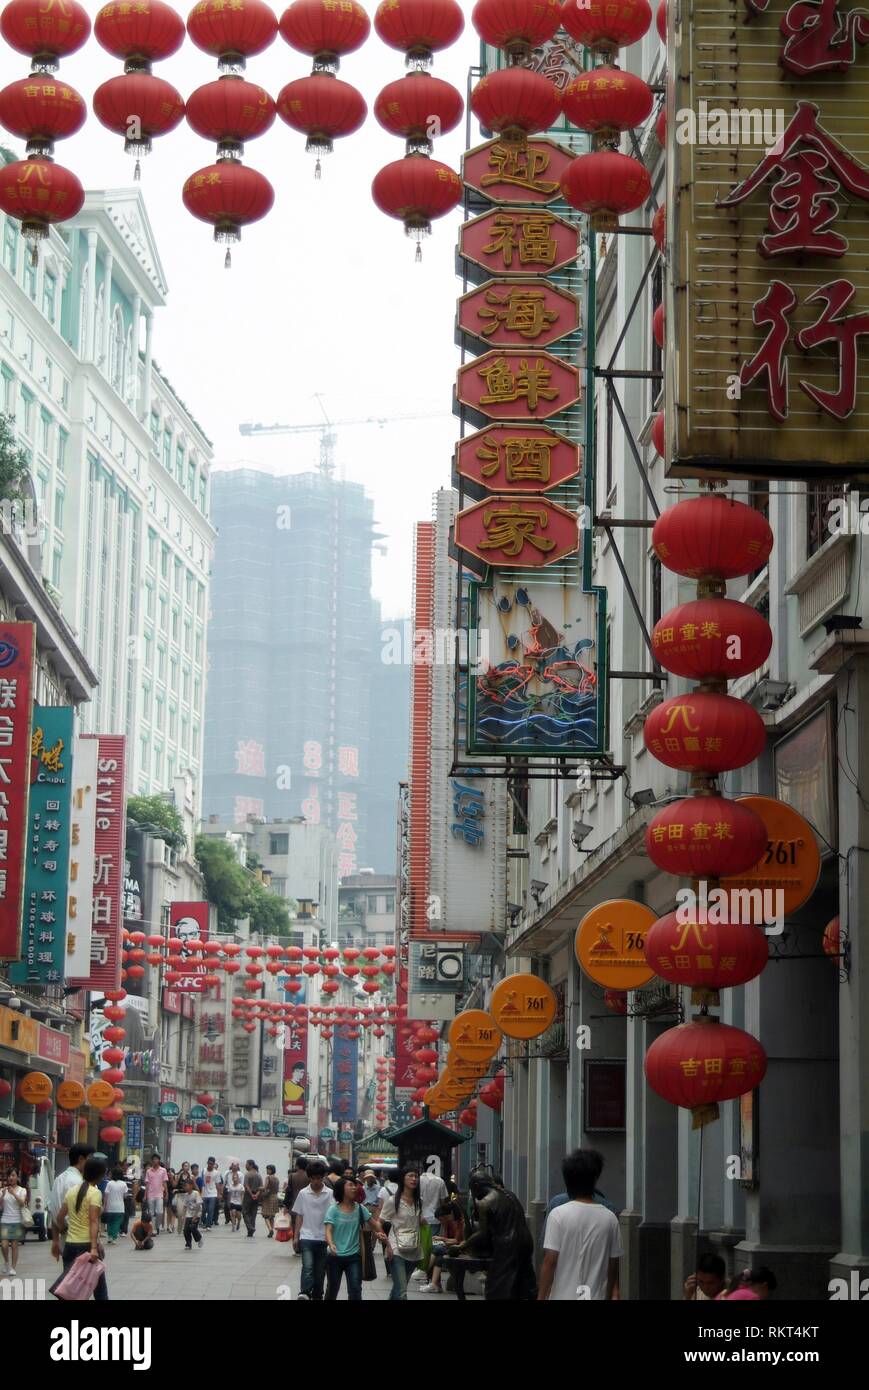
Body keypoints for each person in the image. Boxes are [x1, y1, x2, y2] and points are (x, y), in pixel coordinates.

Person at [538, 1150, 621, 1302]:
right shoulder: (610, 1218)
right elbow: (613, 1265)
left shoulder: (558, 1215)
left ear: (567, 1181)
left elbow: (550, 1261)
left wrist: (541, 1296)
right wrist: (609, 1294)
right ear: (595, 1180)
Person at [455, 1170, 536, 1301]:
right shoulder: (510, 1194)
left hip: (508, 1245)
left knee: (497, 1287)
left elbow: (482, 1233)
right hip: (526, 1241)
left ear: (476, 1186)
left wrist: (462, 1246)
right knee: (525, 1281)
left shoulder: (485, 1202)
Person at [55, 1156, 108, 1300]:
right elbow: (93, 1221)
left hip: (70, 1245)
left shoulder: (72, 1191)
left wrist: (64, 1228)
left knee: (70, 1288)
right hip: (86, 1247)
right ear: (99, 1174)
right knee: (100, 1290)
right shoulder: (95, 1193)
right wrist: (94, 1248)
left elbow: (59, 1217)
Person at [324, 1177, 382, 1301]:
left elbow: (375, 1224)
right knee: (332, 1289)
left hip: (354, 1256)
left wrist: (381, 1234)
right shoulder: (333, 1210)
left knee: (355, 1289)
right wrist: (331, 1243)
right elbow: (328, 1230)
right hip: (334, 1257)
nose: (354, 1188)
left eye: (355, 1185)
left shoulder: (360, 1208)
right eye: (350, 1185)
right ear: (341, 1189)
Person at [379, 1168, 426, 1301]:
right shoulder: (393, 1200)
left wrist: (422, 1221)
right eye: (410, 1176)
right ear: (403, 1179)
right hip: (396, 1249)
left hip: (413, 1248)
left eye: (416, 1176)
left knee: (399, 1287)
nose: (414, 1179)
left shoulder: (419, 1201)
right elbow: (379, 1222)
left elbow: (419, 1222)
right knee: (402, 1292)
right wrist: (387, 1244)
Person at [292, 1160, 332, 1302]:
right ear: (309, 1178)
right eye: (313, 1178)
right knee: (308, 1266)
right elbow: (299, 1216)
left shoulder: (330, 1194)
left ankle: (317, 1294)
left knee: (320, 1271)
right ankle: (305, 1292)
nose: (316, 1181)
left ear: (323, 1177)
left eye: (318, 1178)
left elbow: (333, 1217)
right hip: (307, 1236)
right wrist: (296, 1237)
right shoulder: (303, 1193)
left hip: (324, 1238)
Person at [48, 1143, 94, 1259]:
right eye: (90, 1158)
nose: (91, 1163)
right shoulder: (80, 1183)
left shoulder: (59, 1179)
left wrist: (55, 1240)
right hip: (80, 1239)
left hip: (66, 1239)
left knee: (70, 1273)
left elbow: (53, 1210)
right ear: (81, 1159)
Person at [422, 1199, 466, 1295]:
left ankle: (424, 1271)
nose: (441, 1222)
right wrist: (441, 1240)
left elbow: (457, 1240)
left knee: (437, 1250)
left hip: (458, 1248)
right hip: (449, 1247)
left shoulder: (460, 1222)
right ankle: (435, 1284)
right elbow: (447, 1238)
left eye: (441, 1219)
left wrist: (442, 1239)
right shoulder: (447, 1223)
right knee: (435, 1253)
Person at [1, 1168, 28, 1278]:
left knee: (15, 1246)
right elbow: (1, 1206)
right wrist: (3, 1195)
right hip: (5, 1220)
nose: (10, 1178)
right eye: (9, 1176)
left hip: (16, 1220)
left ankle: (13, 1267)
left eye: (13, 1175)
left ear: (17, 1177)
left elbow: (22, 1203)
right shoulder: (3, 1190)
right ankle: (6, 1262)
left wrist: (13, 1194)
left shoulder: (22, 1190)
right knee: (4, 1245)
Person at [142, 1153, 169, 1233]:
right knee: (151, 1212)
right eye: (153, 1159)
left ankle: (157, 1226)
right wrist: (145, 1195)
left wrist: (166, 1194)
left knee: (160, 1212)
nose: (155, 1161)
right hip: (150, 1194)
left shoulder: (163, 1170)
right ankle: (153, 1228)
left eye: (156, 1159)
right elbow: (147, 1184)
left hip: (160, 1194)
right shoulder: (148, 1171)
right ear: (151, 1161)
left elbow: (164, 1183)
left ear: (159, 1160)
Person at [103, 1166, 128, 1245]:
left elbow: (106, 1195)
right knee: (117, 1222)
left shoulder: (109, 1183)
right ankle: (114, 1237)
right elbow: (125, 1196)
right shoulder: (123, 1184)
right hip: (120, 1207)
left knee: (110, 1222)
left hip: (110, 1207)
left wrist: (104, 1206)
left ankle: (110, 1236)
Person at [181, 1178, 204, 1252]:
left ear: (191, 1186)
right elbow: (185, 1206)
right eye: (184, 1186)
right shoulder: (186, 1195)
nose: (185, 1187)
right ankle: (188, 1244)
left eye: (186, 1185)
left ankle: (199, 1238)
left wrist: (195, 1215)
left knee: (193, 1227)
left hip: (197, 1213)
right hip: (189, 1214)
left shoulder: (196, 1193)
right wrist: (183, 1215)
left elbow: (198, 1204)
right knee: (186, 1230)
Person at [242, 1159, 263, 1237]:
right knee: (253, 1214)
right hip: (256, 1196)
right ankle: (250, 1231)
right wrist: (256, 1194)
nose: (245, 1166)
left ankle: (250, 1228)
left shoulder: (247, 1174)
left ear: (250, 1165)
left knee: (245, 1212)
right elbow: (261, 1187)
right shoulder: (258, 1175)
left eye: (246, 1164)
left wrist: (251, 1194)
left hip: (248, 1195)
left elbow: (246, 1185)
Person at [202, 1158, 222, 1230]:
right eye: (209, 1163)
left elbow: (218, 1184)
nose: (210, 1165)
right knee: (203, 1209)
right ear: (207, 1163)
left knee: (210, 1209)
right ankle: (204, 1222)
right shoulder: (204, 1171)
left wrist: (219, 1194)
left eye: (212, 1164)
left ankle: (208, 1225)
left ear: (214, 1164)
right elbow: (202, 1183)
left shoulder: (216, 1173)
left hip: (213, 1193)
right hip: (204, 1193)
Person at [261, 1164, 280, 1237]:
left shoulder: (268, 1178)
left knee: (265, 1215)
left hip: (268, 1198)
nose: (266, 1171)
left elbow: (264, 1187)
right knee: (272, 1216)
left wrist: (258, 1188)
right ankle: (271, 1228)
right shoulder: (277, 1179)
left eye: (267, 1169)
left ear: (271, 1170)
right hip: (275, 1197)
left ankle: (270, 1229)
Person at [225, 1164, 245, 1231]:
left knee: (239, 1215)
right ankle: (233, 1225)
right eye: (234, 1178)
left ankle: (239, 1222)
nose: (235, 1179)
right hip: (232, 1201)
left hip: (239, 1202)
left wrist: (242, 1202)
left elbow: (242, 1194)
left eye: (236, 1178)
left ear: (238, 1179)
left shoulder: (241, 1186)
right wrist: (228, 1202)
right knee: (233, 1213)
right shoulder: (230, 1186)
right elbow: (229, 1194)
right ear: (233, 1179)